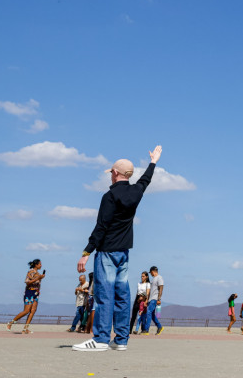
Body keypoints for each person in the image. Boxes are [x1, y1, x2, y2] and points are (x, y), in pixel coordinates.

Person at [73, 144, 163, 351]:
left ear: (114, 173)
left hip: (106, 252)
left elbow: (101, 226)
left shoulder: (109, 196)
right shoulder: (135, 192)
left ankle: (102, 339)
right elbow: (145, 180)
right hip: (124, 253)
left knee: (104, 295)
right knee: (122, 295)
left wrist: (86, 252)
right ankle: (121, 340)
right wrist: (153, 162)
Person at [7, 259, 45, 334]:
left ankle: (25, 328)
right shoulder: (30, 272)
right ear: (36, 265)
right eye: (40, 264)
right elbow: (28, 283)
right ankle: (11, 323)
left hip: (36, 293)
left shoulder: (38, 273)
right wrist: (38, 278)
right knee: (26, 311)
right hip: (29, 292)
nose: (41, 265)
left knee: (33, 311)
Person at [141, 265, 164, 335]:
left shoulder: (159, 278)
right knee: (152, 315)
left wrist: (159, 299)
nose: (150, 274)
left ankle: (146, 330)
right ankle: (159, 327)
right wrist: (147, 300)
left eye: (150, 272)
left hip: (155, 298)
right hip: (151, 299)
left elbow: (161, 288)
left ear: (153, 272)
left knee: (148, 312)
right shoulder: (153, 279)